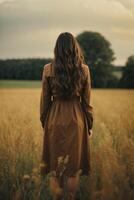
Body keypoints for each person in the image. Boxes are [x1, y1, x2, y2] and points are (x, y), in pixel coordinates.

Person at [40, 32, 93, 200]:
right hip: (77, 119)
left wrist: (45, 122)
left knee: (56, 167)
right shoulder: (84, 70)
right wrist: (89, 125)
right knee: (72, 168)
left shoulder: (48, 69)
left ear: (57, 49)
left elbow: (45, 101)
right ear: (74, 48)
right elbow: (86, 101)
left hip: (54, 118)